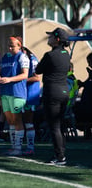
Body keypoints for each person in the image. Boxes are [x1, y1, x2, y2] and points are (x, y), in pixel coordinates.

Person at [36, 27, 71, 165]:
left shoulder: (50, 55)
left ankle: (60, 157)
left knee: (54, 126)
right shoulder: (66, 54)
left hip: (52, 92)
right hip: (64, 91)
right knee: (60, 125)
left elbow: (38, 70)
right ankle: (62, 154)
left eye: (51, 37)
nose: (48, 38)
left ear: (57, 39)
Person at [0, 36, 29, 156]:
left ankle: (18, 148)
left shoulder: (22, 56)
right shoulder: (6, 57)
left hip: (17, 93)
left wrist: (9, 79)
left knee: (17, 120)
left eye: (13, 46)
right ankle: (13, 146)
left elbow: (25, 75)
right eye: (9, 45)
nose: (10, 48)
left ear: (19, 46)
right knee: (10, 120)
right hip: (6, 92)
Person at [21, 46, 41, 156]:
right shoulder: (23, 58)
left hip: (30, 95)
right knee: (23, 121)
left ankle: (30, 147)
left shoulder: (32, 59)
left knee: (28, 121)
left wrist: (21, 80)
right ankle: (21, 146)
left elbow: (37, 77)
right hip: (23, 94)